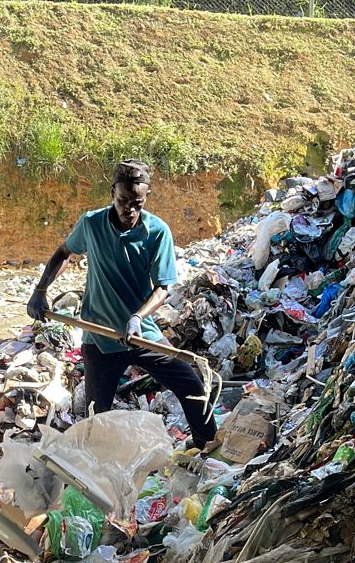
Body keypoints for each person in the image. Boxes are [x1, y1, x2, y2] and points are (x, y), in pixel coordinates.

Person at [27, 159, 216, 449]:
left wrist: (138, 317)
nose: (129, 209)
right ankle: (93, 469)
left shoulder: (157, 232)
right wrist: (40, 289)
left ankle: (207, 448)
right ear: (112, 192)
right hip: (100, 337)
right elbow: (64, 253)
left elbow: (164, 288)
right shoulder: (92, 224)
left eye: (137, 203)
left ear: (147, 197)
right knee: (95, 414)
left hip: (141, 334)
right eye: (123, 201)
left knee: (191, 385)